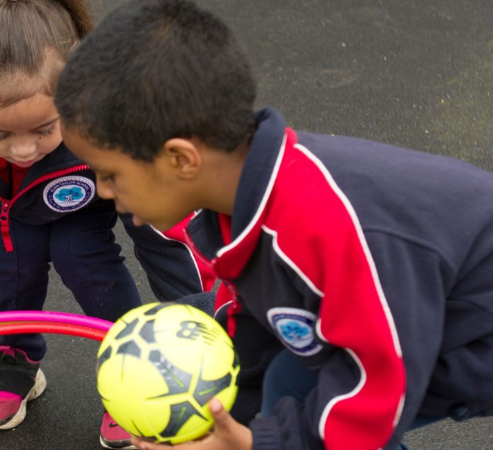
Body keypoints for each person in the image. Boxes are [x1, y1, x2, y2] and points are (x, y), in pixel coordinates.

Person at [54, 0, 493, 449]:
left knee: (345, 415)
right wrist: (218, 427)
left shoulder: (328, 226)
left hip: (468, 342)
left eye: (110, 175)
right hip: (406, 328)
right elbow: (251, 328)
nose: (103, 191)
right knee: (290, 377)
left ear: (181, 159)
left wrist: (253, 445)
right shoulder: (240, 204)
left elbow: (376, 388)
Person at [0, 0, 214, 448]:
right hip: (12, 208)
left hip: (89, 202)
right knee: (14, 262)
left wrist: (201, 310)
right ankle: (16, 360)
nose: (24, 150)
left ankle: (136, 375)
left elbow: (167, 223)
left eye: (45, 128)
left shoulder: (115, 121)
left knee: (83, 259)